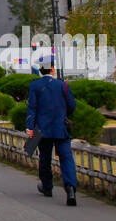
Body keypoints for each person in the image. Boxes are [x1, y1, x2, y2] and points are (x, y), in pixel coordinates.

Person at [26, 62, 78, 206]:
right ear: (53, 70)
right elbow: (72, 105)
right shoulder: (63, 85)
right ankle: (70, 188)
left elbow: (32, 108)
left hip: (43, 129)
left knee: (45, 158)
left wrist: (29, 126)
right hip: (60, 127)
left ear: (41, 71)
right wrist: (63, 115)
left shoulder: (35, 86)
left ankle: (47, 186)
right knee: (66, 158)